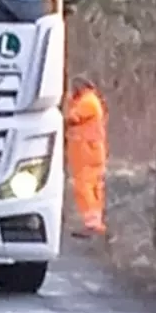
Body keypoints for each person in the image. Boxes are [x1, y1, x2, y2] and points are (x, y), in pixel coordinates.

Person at [64, 78, 108, 238]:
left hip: (88, 153)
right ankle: (94, 221)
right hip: (88, 152)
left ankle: (92, 223)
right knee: (93, 187)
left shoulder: (88, 101)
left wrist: (67, 103)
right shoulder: (87, 101)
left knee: (84, 187)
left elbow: (72, 118)